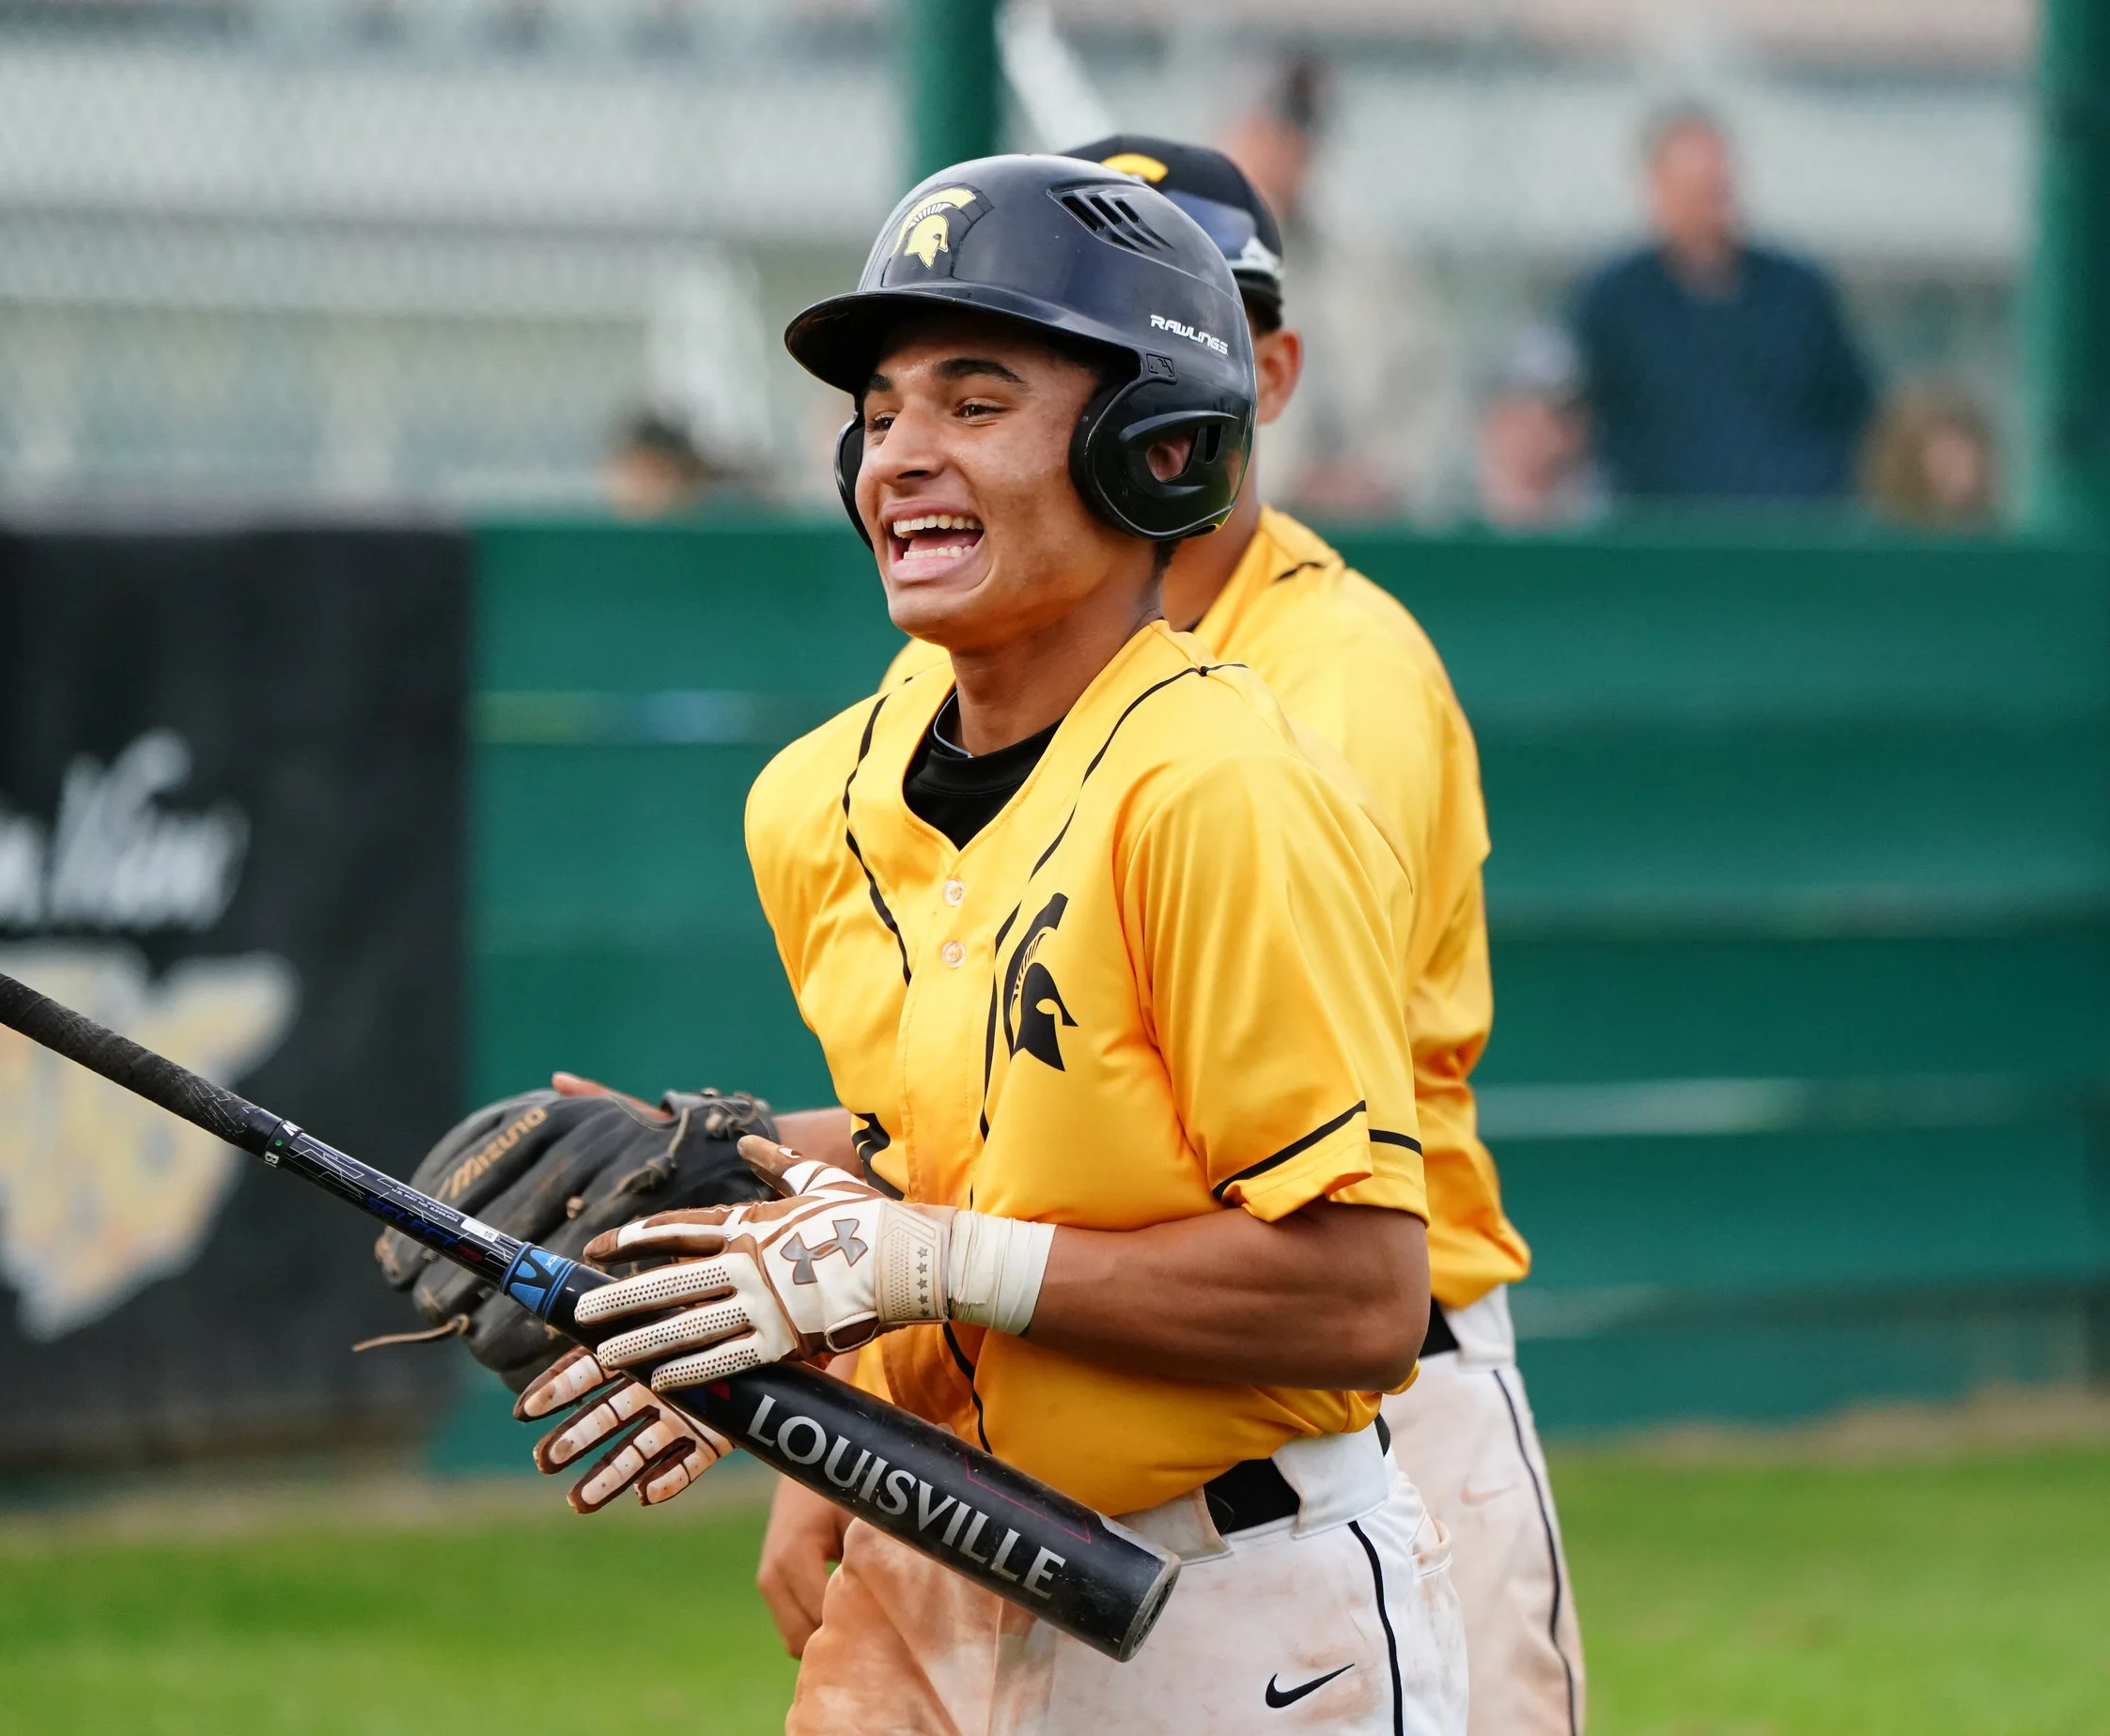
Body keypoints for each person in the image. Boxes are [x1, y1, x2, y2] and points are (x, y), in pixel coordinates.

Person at [455, 152, 1468, 1732]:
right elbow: (950, 1148)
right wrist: (723, 1247)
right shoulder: (818, 796)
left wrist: (912, 1262)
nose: (899, 456)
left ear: (1155, 447)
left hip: (1233, 1600)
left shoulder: (1221, 786)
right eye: (880, 411)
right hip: (928, 1556)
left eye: (975, 402)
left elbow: (1359, 1294)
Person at [1572, 105, 1874, 505]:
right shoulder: (1613, 301)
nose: (1711, 204)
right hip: (1664, 533)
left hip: (1792, 527)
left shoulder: (1797, 292)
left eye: (1719, 188)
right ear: (1657, 191)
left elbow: (1855, 407)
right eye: (1694, 190)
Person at [1221, 59, 1467, 521]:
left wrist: (1381, 472)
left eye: (1299, 135)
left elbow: (1425, 385)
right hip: (1244, 518)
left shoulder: (1373, 263)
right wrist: (1290, 476)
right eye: (1267, 133)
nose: (1284, 152)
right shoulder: (1193, 266)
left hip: (1372, 514)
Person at [1476, 324, 1601, 529]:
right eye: (1549, 413)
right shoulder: (1448, 511)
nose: (1557, 431)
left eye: (1570, 411)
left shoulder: (1600, 516)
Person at [1861, 381, 1997, 529]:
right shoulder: (1886, 538)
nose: (1965, 475)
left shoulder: (1997, 536)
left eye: (1966, 457)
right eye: (1948, 464)